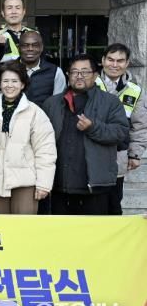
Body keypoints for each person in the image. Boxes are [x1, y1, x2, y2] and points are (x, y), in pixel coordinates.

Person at [42, 54, 129, 215]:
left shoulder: (110, 102)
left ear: (95, 75)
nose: (79, 76)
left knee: (96, 230)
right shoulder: (52, 103)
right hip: (58, 185)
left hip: (95, 186)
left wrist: (93, 127)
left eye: (85, 72)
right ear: (68, 75)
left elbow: (121, 133)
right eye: (74, 72)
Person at [0, 61, 57, 214]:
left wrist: (44, 184)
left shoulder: (35, 112)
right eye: (5, 81)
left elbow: (45, 150)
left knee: (24, 226)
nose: (10, 85)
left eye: (15, 81)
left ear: (22, 84)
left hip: (25, 181)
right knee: (1, 226)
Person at [96, 43, 147, 214]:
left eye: (120, 61)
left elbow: (140, 126)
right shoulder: (90, 84)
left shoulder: (135, 91)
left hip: (119, 155)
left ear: (127, 63)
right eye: (110, 59)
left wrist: (135, 154)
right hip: (91, 153)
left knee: (114, 203)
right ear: (103, 60)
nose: (114, 64)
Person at [0, 30, 66, 107]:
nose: (30, 49)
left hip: (42, 116)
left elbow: (58, 105)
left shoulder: (55, 72)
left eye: (35, 45)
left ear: (41, 48)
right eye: (25, 45)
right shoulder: (7, 69)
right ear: (18, 48)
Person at [0, 0, 36, 64]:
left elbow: (42, 61)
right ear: (3, 13)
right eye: (9, 8)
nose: (14, 12)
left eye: (17, 8)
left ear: (24, 12)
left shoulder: (35, 34)